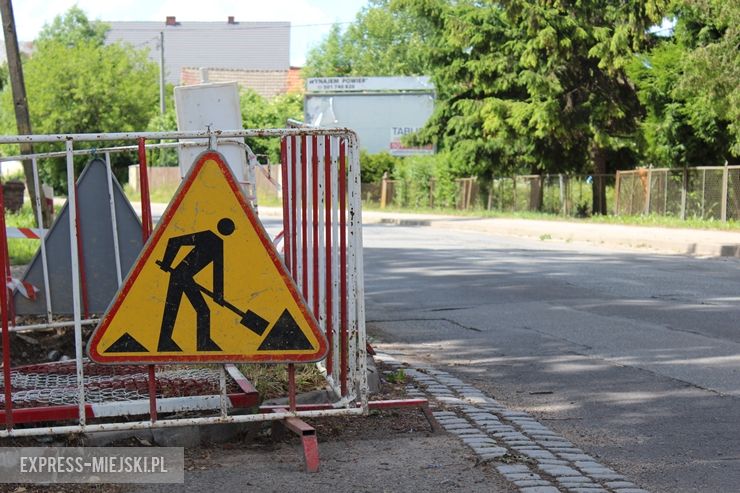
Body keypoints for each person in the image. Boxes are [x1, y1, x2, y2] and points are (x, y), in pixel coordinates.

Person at [156, 218, 235, 352]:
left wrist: (218, 295)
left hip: (184, 277)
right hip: (180, 276)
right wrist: (166, 262)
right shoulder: (208, 237)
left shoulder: (216, 243)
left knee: (174, 308)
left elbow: (218, 272)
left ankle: (167, 342)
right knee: (194, 309)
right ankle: (201, 344)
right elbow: (174, 240)